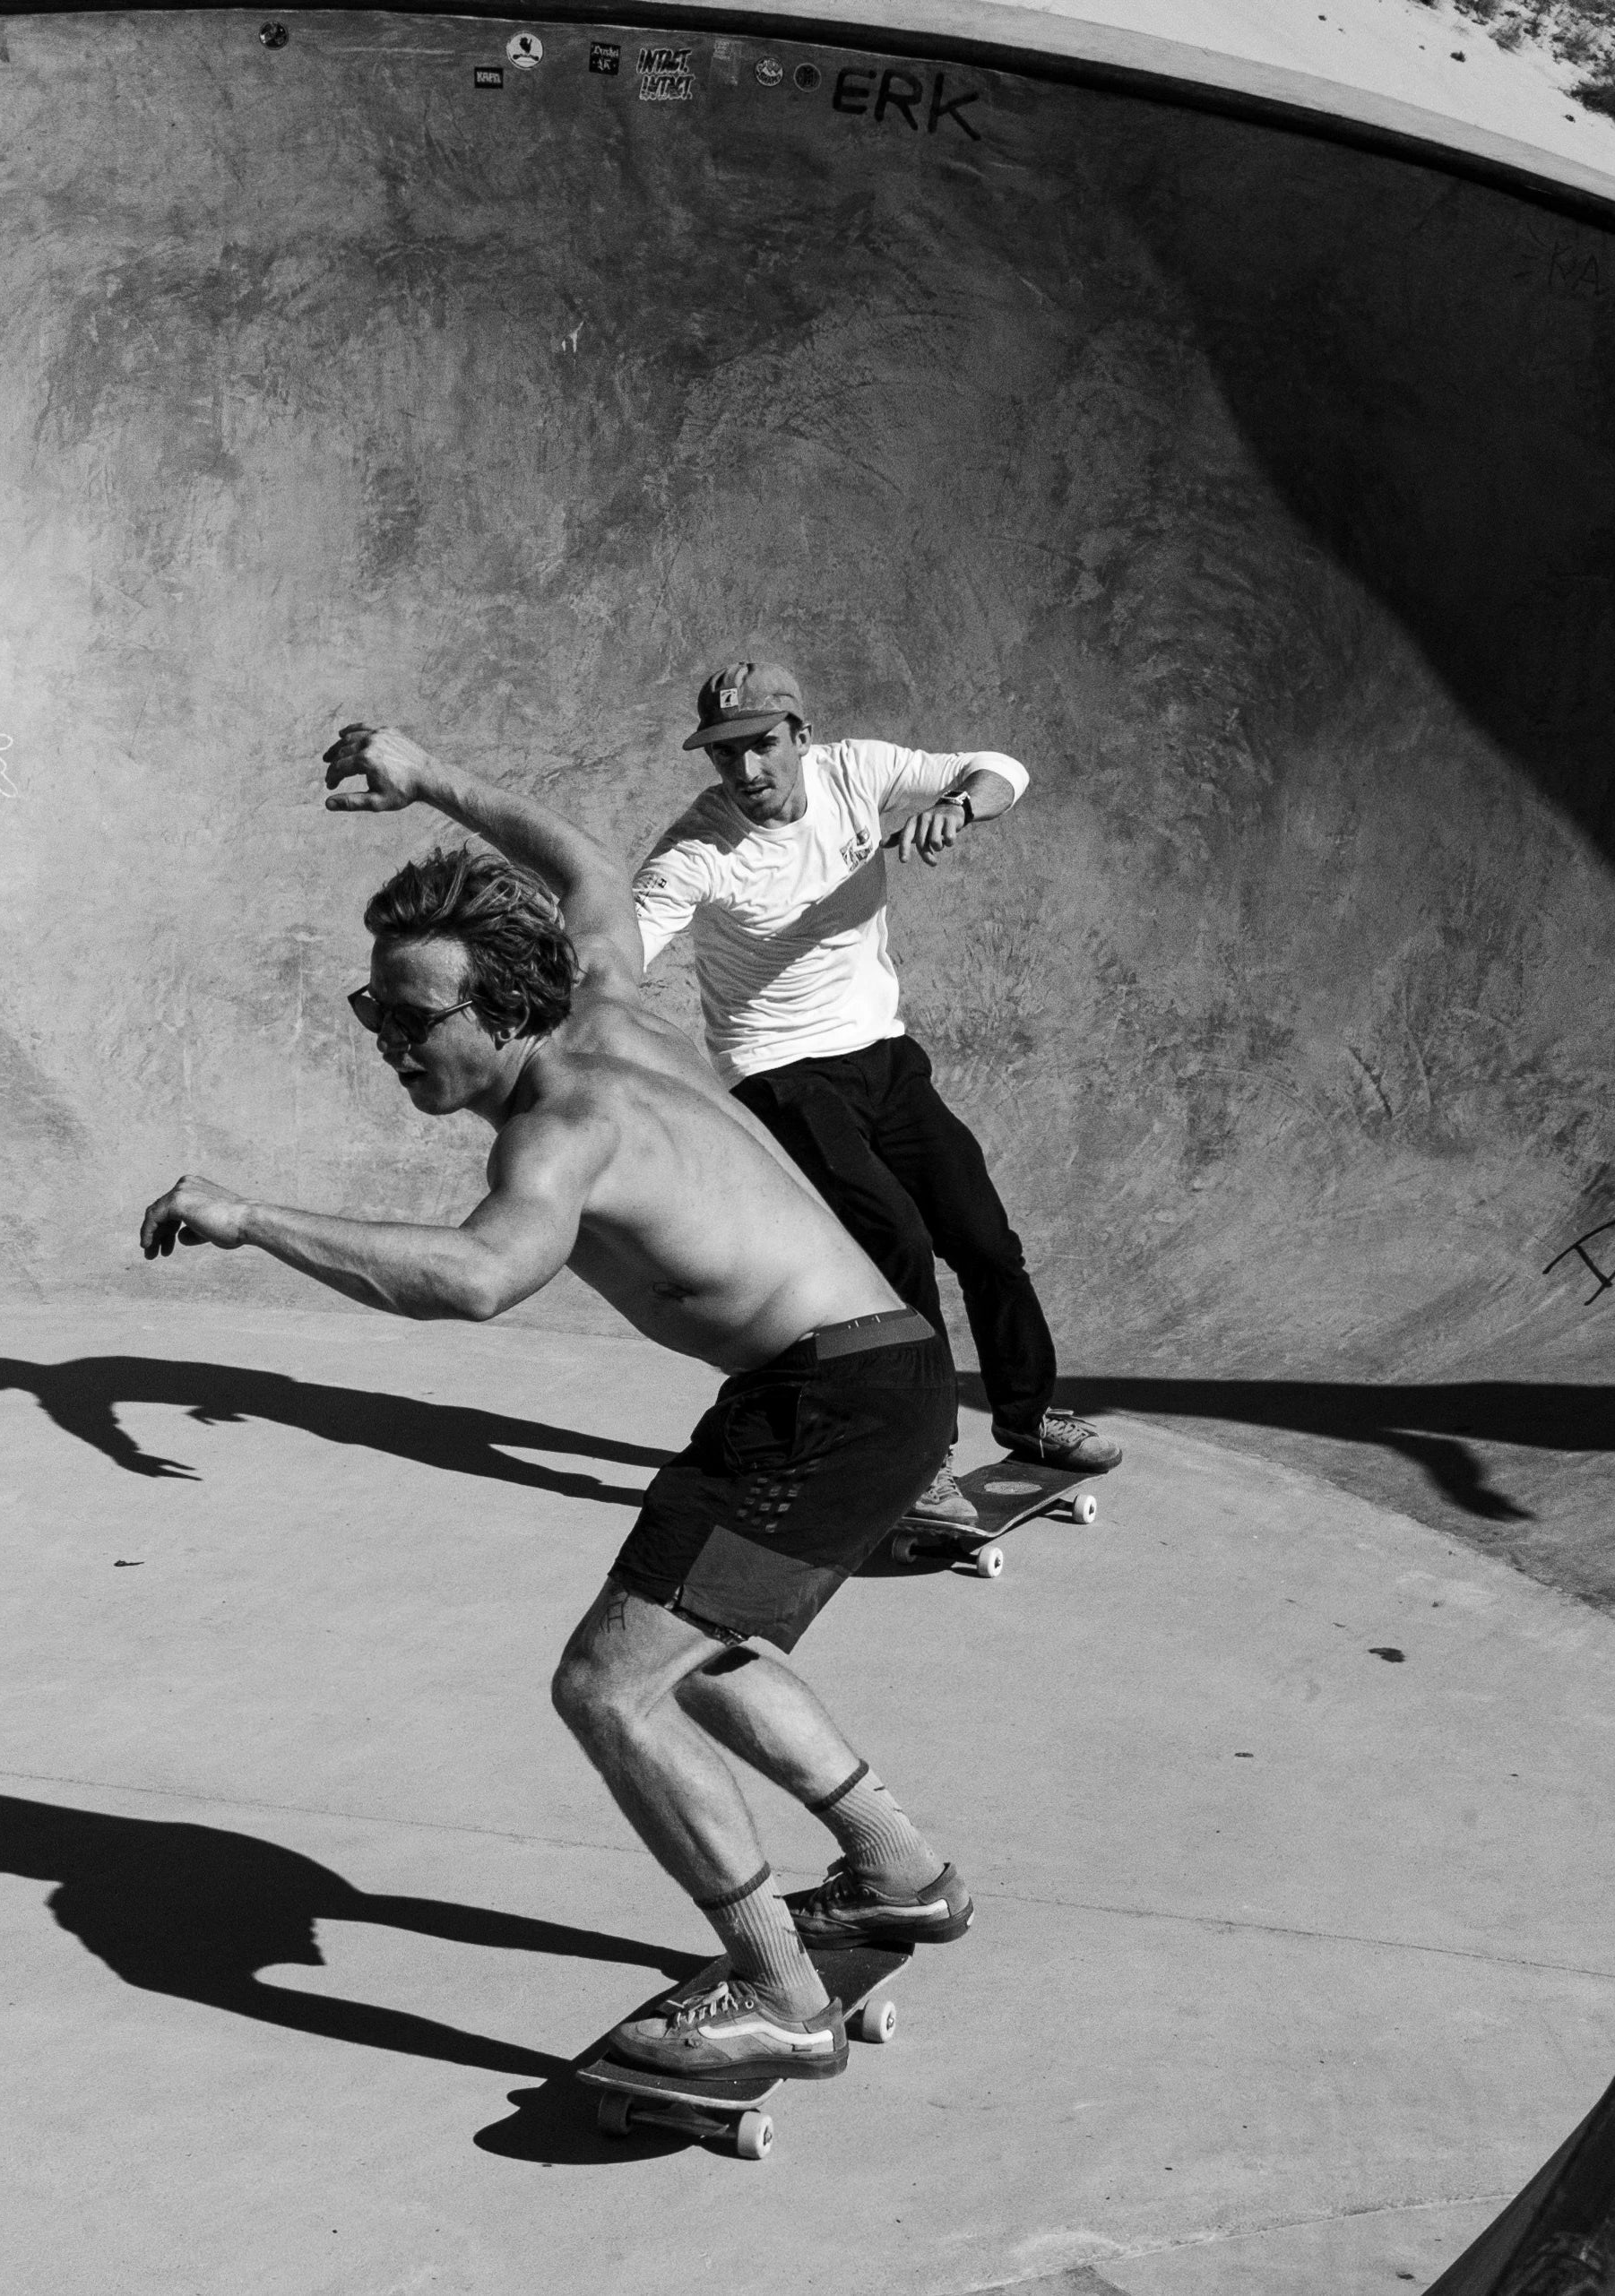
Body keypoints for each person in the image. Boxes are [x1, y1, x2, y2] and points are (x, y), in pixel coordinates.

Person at [141, 724, 973, 2085]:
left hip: (827, 1401)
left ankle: (776, 1991)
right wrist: (425, 777)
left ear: (502, 1009)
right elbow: (584, 867)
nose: (388, 1046)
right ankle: (899, 1871)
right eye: (374, 1015)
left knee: (608, 1685)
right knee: (693, 1647)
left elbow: (477, 1278)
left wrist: (250, 1217)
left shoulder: (560, 1128)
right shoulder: (604, 993)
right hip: (861, 1375)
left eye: (411, 1021)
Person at [632, 660, 1119, 1523]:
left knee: (982, 1237)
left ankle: (1030, 1416)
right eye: (725, 755)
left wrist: (957, 806)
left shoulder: (856, 769)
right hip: (778, 1073)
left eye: (762, 746)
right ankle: (918, 1455)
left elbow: (1005, 768)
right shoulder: (699, 850)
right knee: (893, 1245)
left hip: (883, 1057)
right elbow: (626, 942)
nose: (747, 772)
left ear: (801, 736)